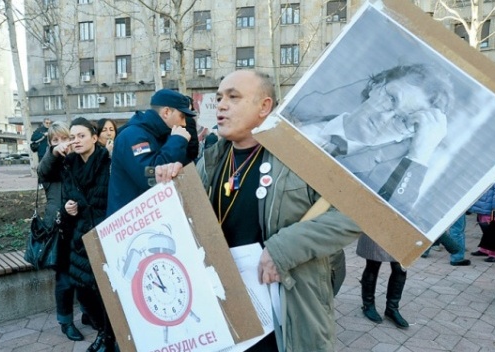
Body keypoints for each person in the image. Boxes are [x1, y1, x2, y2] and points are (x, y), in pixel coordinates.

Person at [154, 70, 361, 351]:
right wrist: (172, 186)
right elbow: (186, 224)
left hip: (286, 306)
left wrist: (284, 249)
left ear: (264, 106)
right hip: (226, 305)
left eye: (233, 97)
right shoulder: (212, 158)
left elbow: (354, 213)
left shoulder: (302, 154)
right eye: (218, 98)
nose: (221, 105)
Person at [297, 64, 454, 219]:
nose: (384, 117)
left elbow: (388, 222)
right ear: (377, 86)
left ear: (405, 136)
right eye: (392, 99)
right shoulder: (296, 117)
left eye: (402, 119)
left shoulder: (376, 182)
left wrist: (420, 154)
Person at [49, 117, 114, 351]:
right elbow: (64, 196)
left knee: (107, 293)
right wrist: (67, 210)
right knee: (85, 294)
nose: (76, 141)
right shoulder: (69, 165)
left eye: (82, 136)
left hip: (105, 236)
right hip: (80, 239)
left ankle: (109, 338)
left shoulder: (109, 162)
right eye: (73, 136)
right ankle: (104, 333)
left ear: (95, 138)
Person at [106, 89, 194, 216]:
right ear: (167, 112)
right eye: (182, 116)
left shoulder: (156, 134)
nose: (184, 123)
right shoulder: (133, 136)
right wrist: (177, 141)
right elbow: (149, 175)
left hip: (144, 219)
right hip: (130, 224)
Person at [37, 121, 84, 342]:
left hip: (80, 226)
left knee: (85, 273)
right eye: (54, 140)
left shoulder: (77, 161)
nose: (61, 144)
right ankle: (65, 322)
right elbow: (43, 169)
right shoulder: (50, 165)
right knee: (64, 279)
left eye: (64, 138)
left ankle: (88, 313)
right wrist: (54, 152)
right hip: (59, 229)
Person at [356, 239, 409, 329]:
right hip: (378, 227)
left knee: (400, 268)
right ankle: (368, 305)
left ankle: (392, 308)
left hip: (401, 229)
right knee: (373, 263)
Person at [469, 172, 495, 262]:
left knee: (492, 229)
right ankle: (485, 249)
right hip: (483, 204)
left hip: (489, 206)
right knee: (485, 227)